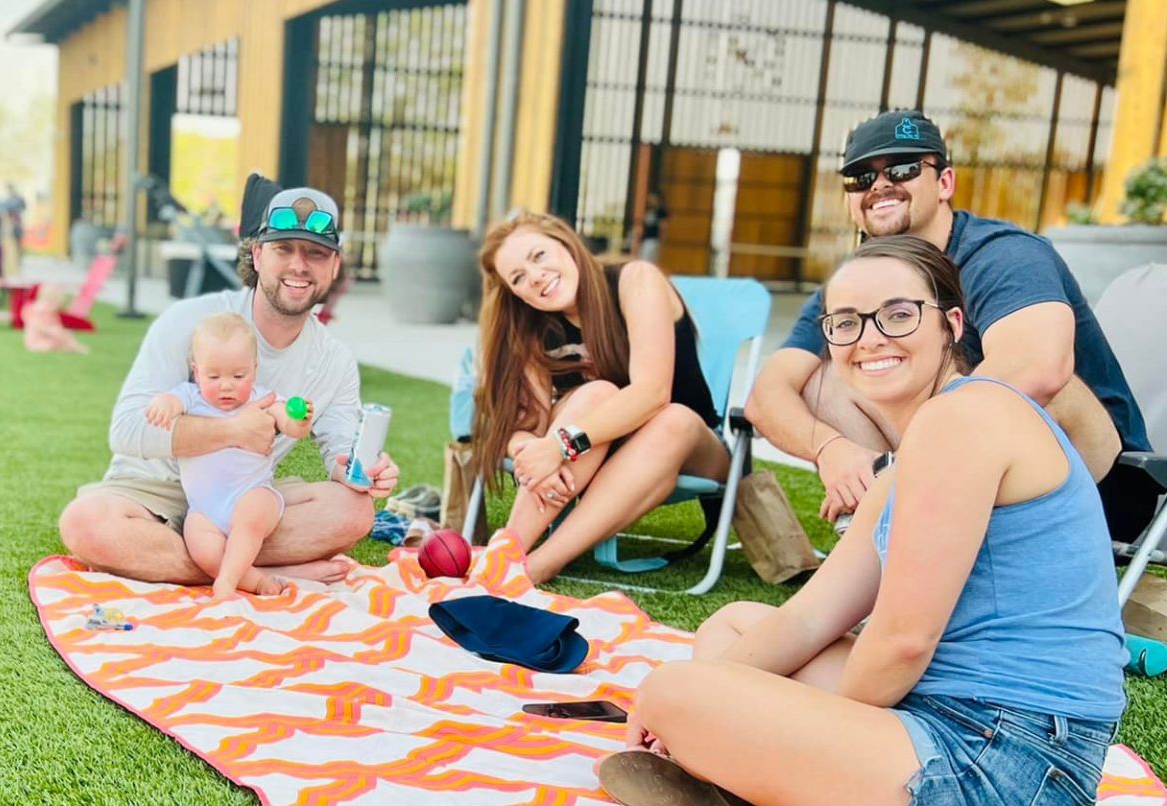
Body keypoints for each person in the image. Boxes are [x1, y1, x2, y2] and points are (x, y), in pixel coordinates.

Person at [616, 235, 1125, 806]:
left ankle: (746, 776)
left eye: (898, 314)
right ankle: (749, 774)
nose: (870, 339)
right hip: (959, 713)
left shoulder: (963, 418)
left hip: (1007, 757)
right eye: (846, 323)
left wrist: (711, 716)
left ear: (951, 325)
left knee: (674, 691)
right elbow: (810, 618)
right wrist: (721, 709)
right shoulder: (912, 458)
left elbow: (902, 644)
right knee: (730, 628)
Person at [744, 110, 1151, 539]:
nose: (880, 185)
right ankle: (890, 537)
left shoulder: (1003, 254)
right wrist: (831, 448)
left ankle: (897, 509)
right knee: (826, 378)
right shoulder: (858, 281)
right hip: (959, 466)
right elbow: (768, 394)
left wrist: (906, 464)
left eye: (902, 169)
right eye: (860, 178)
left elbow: (1041, 370)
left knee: (1037, 385)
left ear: (944, 183)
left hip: (1102, 483)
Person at [57, 182, 398, 586]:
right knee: (85, 524)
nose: (299, 266)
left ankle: (211, 565)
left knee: (354, 511)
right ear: (257, 254)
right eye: (283, 249)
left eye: (315, 254)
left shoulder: (334, 361)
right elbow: (126, 431)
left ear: (334, 266)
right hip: (153, 492)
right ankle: (253, 572)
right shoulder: (190, 321)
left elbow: (340, 450)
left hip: (242, 497)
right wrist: (232, 431)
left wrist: (360, 469)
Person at [472, 212, 730, 584]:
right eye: (518, 278)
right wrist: (533, 451)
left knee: (673, 418)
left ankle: (541, 564)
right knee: (597, 393)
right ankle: (507, 552)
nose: (536, 276)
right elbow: (522, 427)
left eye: (539, 256)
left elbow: (652, 394)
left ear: (565, 242)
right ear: (515, 294)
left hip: (692, 446)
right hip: (596, 453)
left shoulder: (635, 280)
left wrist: (559, 447)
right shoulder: (531, 328)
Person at [145, 313, 317, 599]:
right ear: (196, 371)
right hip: (205, 509)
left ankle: (225, 582)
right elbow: (171, 402)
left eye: (239, 376)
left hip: (252, 494)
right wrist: (162, 404)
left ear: (254, 369)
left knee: (251, 515)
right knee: (201, 545)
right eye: (213, 376)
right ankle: (255, 581)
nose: (227, 385)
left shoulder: (261, 399)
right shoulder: (190, 397)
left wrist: (299, 422)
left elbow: (288, 422)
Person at [22, 284, 88, 354]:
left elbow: (56, 325)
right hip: (36, 341)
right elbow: (42, 327)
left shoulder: (50, 313)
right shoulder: (38, 313)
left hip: (48, 338)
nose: (56, 309)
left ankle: (73, 347)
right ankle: (73, 348)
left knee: (63, 337)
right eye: (55, 305)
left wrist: (61, 332)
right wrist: (56, 332)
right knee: (51, 345)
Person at [638, 190, 667, 263]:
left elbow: (663, 227)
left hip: (654, 240)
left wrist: (661, 240)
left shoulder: (661, 212)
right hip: (645, 239)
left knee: (650, 260)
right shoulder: (648, 210)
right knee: (643, 259)